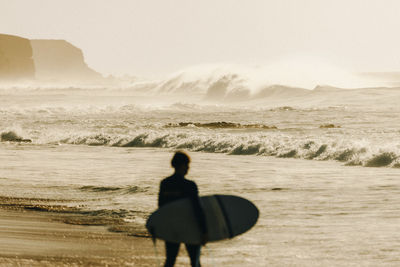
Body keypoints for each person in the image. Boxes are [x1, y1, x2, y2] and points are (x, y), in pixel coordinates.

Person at [158, 151, 208, 267]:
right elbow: (197, 209)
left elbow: (161, 207)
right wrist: (204, 231)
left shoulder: (165, 183)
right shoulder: (190, 185)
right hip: (189, 227)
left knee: (170, 260)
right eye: (187, 165)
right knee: (195, 261)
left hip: (172, 227)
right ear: (182, 165)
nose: (188, 168)